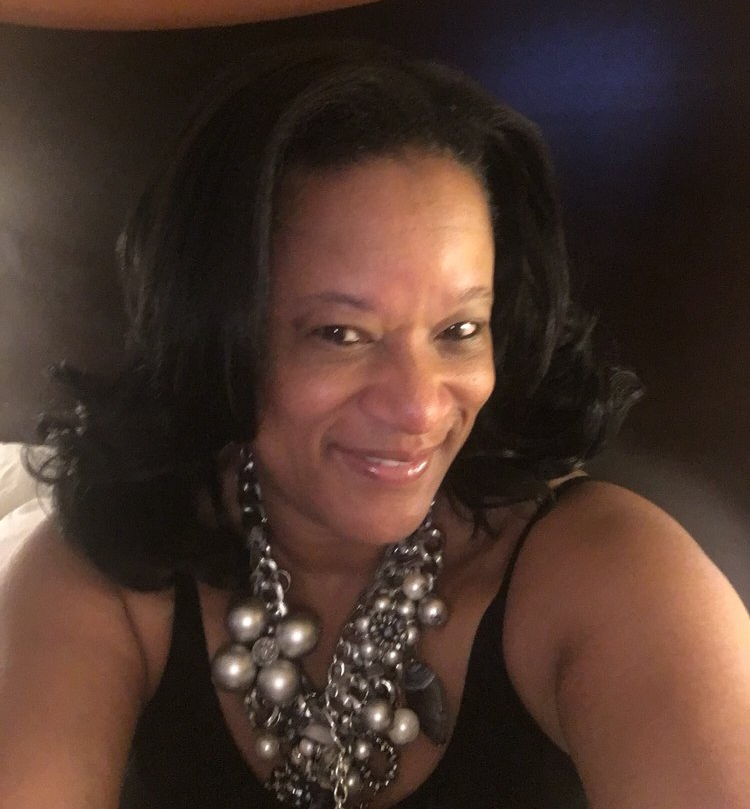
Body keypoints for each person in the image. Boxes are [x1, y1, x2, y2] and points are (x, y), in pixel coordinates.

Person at [1, 41, 748, 809]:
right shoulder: (107, 573)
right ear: (219, 334)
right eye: (340, 334)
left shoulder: (605, 571)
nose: (420, 407)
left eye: (459, 330)